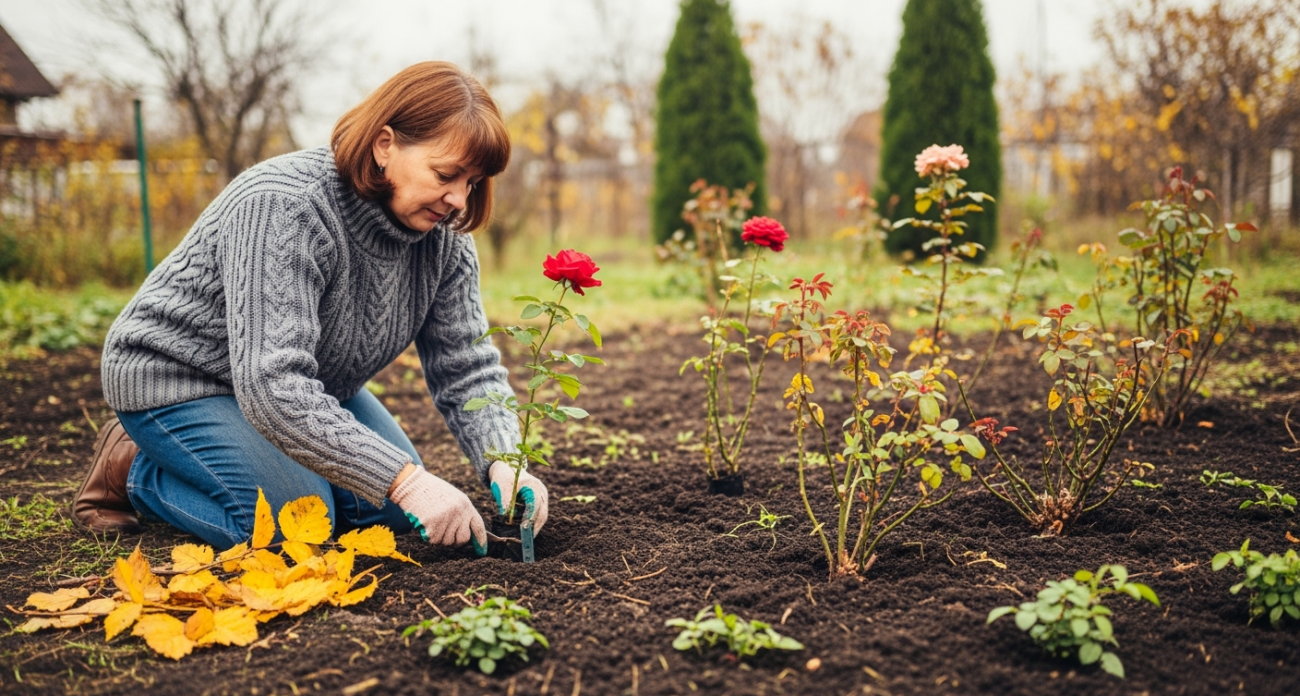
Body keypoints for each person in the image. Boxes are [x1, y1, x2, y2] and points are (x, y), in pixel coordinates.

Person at [72, 62, 547, 555]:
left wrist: (505, 462)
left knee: (389, 514)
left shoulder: (443, 239)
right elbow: (272, 382)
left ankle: (254, 462)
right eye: (446, 174)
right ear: (385, 145)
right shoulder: (286, 204)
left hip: (308, 382)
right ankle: (134, 469)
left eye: (473, 182)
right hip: (181, 379)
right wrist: (405, 480)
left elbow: (465, 365)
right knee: (291, 529)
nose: (458, 199)